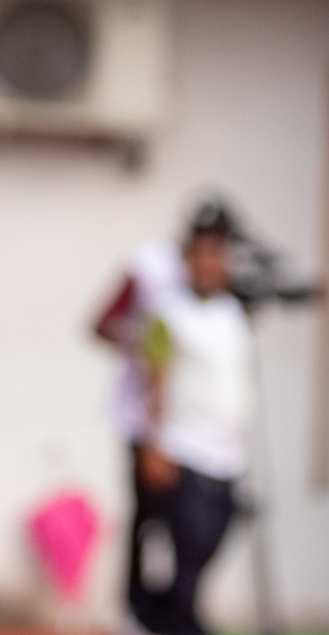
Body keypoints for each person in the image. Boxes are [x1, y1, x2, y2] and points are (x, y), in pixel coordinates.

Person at [92, 200, 255, 635]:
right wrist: (154, 442)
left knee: (209, 542)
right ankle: (156, 616)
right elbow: (154, 379)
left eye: (217, 253)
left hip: (225, 453)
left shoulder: (233, 313)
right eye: (199, 254)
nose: (208, 263)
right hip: (181, 448)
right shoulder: (165, 311)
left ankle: (160, 615)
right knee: (170, 542)